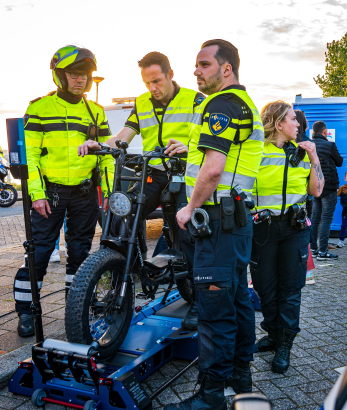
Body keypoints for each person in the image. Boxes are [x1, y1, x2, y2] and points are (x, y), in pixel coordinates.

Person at [78, 51, 203, 329]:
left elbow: (210, 140)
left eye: (156, 81)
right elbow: (125, 135)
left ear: (170, 75)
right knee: (124, 211)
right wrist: (102, 145)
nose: (152, 88)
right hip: (154, 173)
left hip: (184, 173)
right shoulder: (142, 102)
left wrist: (189, 148)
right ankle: (127, 269)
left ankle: (199, 302)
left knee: (188, 230)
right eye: (147, 83)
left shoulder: (195, 100)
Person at [169, 39, 262, 410]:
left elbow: (213, 168)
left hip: (219, 225)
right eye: (196, 65)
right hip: (236, 223)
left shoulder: (221, 104)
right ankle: (242, 375)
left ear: (226, 69)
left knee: (213, 313)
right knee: (238, 301)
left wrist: (189, 208)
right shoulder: (243, 104)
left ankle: (210, 398)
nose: (196, 71)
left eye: (204, 64)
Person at [13, 45, 114, 337]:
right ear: (60, 75)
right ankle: (27, 312)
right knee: (40, 253)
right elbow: (29, 156)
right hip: (50, 194)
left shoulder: (95, 112)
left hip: (84, 194)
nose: (80, 80)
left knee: (81, 253)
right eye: (73, 74)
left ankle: (77, 305)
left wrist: (107, 190)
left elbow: (106, 155)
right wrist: (37, 193)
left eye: (84, 75)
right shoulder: (38, 108)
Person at [250, 101, 323, 374]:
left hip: (294, 230)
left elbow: (316, 191)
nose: (298, 124)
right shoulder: (256, 152)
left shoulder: (302, 153)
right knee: (265, 287)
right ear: (279, 123)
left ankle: (284, 345)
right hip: (263, 228)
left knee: (290, 289)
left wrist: (315, 158)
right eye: (293, 119)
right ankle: (272, 332)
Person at [310, 120, 343, 260]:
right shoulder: (330, 145)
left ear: (313, 132)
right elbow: (340, 162)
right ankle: (323, 251)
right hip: (329, 186)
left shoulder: (309, 145)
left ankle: (313, 249)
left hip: (314, 186)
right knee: (327, 219)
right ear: (325, 132)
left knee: (315, 218)